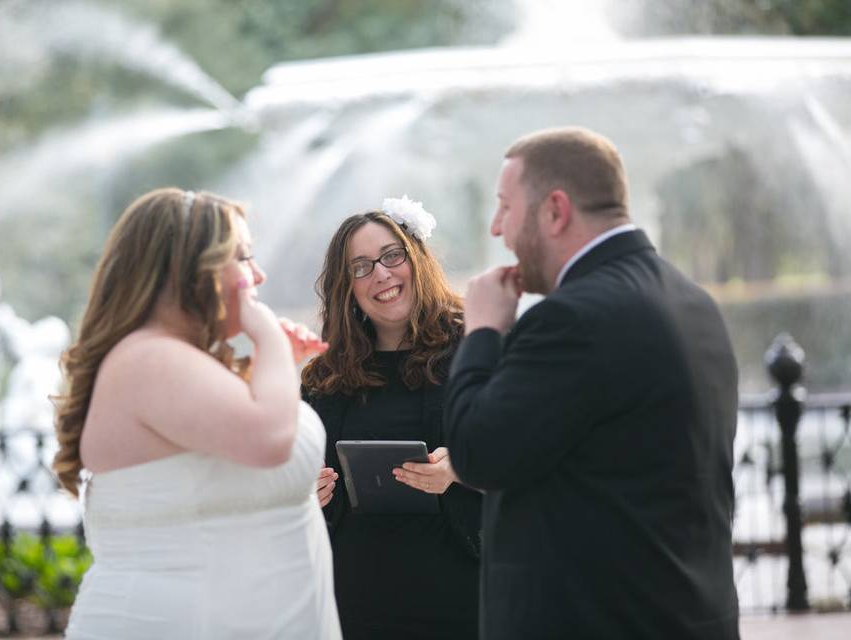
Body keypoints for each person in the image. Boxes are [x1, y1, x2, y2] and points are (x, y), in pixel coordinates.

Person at [444, 128, 740, 640]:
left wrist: (482, 332)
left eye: (505, 207)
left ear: (554, 211)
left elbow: (476, 452)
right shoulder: (694, 302)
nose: (497, 229)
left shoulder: (571, 320)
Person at [53, 187, 341, 639]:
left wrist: (275, 364)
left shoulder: (172, 360)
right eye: (243, 257)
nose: (259, 275)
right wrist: (266, 337)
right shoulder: (149, 359)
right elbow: (269, 439)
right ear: (189, 268)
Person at [301, 197, 482, 640]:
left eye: (391, 256)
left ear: (415, 259)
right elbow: (285, 476)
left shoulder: (478, 348)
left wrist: (461, 467)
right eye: (360, 267)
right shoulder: (323, 376)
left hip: (466, 594)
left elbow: (534, 451)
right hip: (358, 599)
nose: (380, 273)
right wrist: (305, 489)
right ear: (348, 287)